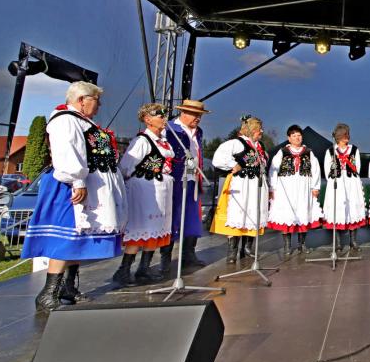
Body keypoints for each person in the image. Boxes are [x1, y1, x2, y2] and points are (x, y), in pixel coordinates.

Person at [21, 82, 127, 313]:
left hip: (84, 186)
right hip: (68, 187)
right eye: (96, 100)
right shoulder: (65, 120)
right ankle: (48, 294)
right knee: (66, 238)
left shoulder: (82, 121)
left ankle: (68, 287)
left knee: (78, 237)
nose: (99, 105)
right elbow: (67, 151)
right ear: (82, 100)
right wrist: (77, 181)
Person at [113, 103, 175, 286]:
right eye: (160, 116)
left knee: (155, 227)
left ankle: (144, 268)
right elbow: (126, 167)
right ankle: (123, 270)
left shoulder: (163, 141)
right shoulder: (141, 141)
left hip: (161, 189)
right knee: (140, 227)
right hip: (144, 190)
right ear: (148, 119)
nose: (164, 118)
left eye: (165, 115)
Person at [210, 115, 270, 262]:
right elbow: (218, 158)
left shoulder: (260, 146)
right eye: (259, 129)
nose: (261, 131)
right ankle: (232, 252)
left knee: (253, 213)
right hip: (241, 183)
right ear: (251, 130)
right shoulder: (237, 143)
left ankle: (247, 248)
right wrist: (233, 165)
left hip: (257, 184)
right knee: (238, 213)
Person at [164, 99, 211, 275]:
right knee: (173, 216)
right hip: (176, 177)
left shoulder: (198, 131)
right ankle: (165, 258)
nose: (197, 118)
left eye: (200, 115)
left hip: (192, 177)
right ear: (183, 113)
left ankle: (188, 254)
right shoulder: (170, 128)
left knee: (192, 216)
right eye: (194, 114)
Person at [267, 124, 323, 254]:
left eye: (299, 135)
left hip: (304, 189)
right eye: (294, 135)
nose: (297, 138)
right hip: (286, 190)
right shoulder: (282, 152)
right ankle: (287, 245)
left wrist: (315, 187)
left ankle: (301, 244)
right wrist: (272, 188)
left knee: (303, 213)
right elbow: (273, 170)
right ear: (289, 138)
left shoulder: (308, 152)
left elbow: (316, 170)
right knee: (287, 215)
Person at [322, 123, 366, 252]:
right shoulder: (331, 151)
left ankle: (353, 241)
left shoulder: (354, 150)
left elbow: (357, 168)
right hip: (336, 184)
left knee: (352, 209)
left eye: (348, 134)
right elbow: (327, 170)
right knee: (336, 209)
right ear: (339, 136)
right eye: (345, 134)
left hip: (351, 183)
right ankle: (338, 242)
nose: (347, 136)